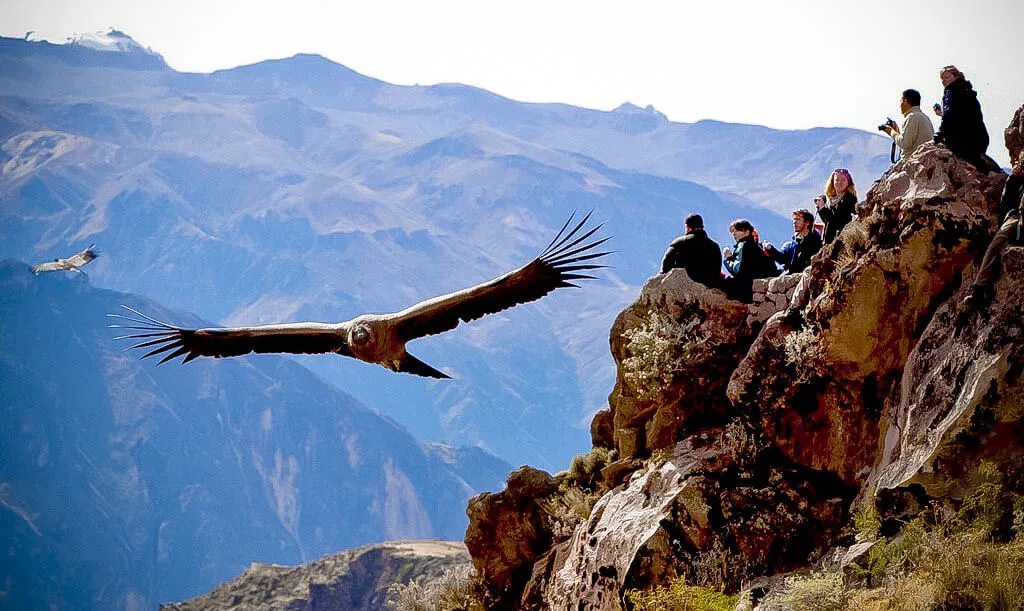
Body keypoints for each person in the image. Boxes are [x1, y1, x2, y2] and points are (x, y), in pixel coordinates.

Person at [963, 152, 1024, 311]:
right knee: (996, 242)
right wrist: (1014, 179)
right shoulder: (1019, 179)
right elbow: (1007, 202)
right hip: (1018, 216)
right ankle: (979, 289)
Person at [933, 65, 992, 170]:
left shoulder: (952, 91)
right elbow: (961, 115)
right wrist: (942, 114)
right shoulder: (965, 90)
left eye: (947, 77)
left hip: (964, 140)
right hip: (977, 137)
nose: (943, 81)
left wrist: (939, 134)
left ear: (956, 77)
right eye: (942, 79)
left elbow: (950, 116)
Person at [660, 213, 723, 288]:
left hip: (682, 285)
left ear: (687, 227)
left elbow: (666, 265)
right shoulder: (715, 246)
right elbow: (716, 271)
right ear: (702, 227)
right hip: (708, 287)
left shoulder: (679, 242)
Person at [722, 219, 775, 302]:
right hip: (758, 290)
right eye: (733, 231)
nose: (734, 234)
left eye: (737, 230)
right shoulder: (757, 247)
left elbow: (737, 270)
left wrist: (728, 259)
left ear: (746, 232)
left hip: (745, 290)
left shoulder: (743, 245)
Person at [763, 208, 823, 274]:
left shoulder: (814, 241)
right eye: (794, 219)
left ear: (807, 222)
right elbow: (782, 259)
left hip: (806, 274)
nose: (794, 222)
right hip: (794, 274)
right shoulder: (796, 241)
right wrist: (770, 248)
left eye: (798, 219)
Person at [881, 89, 935, 157]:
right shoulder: (924, 117)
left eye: (901, 101)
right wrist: (897, 132)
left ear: (905, 101)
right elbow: (912, 142)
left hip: (914, 160)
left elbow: (905, 144)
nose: (900, 104)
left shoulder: (912, 117)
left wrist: (891, 131)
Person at [815, 169, 858, 245]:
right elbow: (827, 221)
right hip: (830, 241)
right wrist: (821, 209)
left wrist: (823, 209)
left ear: (848, 182)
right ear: (832, 182)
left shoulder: (849, 199)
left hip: (841, 241)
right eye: (837, 180)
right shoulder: (832, 200)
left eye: (843, 180)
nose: (839, 183)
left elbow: (837, 221)